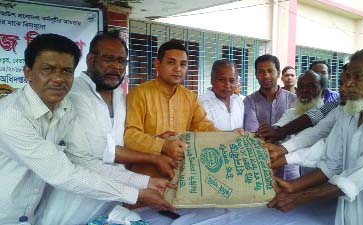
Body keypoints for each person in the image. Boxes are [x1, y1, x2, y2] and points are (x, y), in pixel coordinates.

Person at [0, 34, 174, 224]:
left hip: (32, 213)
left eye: (66, 71)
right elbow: (63, 174)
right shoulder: (10, 117)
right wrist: (135, 195)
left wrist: (146, 183)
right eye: (48, 70)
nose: (58, 79)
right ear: (28, 72)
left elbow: (81, 160)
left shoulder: (64, 107)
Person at [268, 48, 363, 225]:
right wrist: (292, 185)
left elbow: (353, 179)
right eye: (348, 77)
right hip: (346, 215)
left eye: (359, 77)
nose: (349, 84)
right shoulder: (348, 114)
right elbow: (331, 162)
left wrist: (298, 196)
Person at [124, 40, 218, 177]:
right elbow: (129, 137)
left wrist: (231, 135)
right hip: (144, 177)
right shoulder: (140, 94)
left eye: (183, 64)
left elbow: (204, 128)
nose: (178, 69)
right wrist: (163, 145)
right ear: (157, 64)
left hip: (179, 176)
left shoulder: (190, 97)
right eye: (171, 62)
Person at [243, 54, 296, 132]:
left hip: (287, 144)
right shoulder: (249, 101)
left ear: (278, 73)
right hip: (259, 144)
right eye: (261, 72)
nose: (266, 76)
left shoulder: (293, 99)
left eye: (270, 71)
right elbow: (252, 132)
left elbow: (296, 130)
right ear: (256, 75)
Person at [199, 59, 244, 130]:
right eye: (222, 80)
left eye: (232, 80)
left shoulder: (238, 101)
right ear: (212, 80)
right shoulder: (201, 104)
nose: (227, 85)